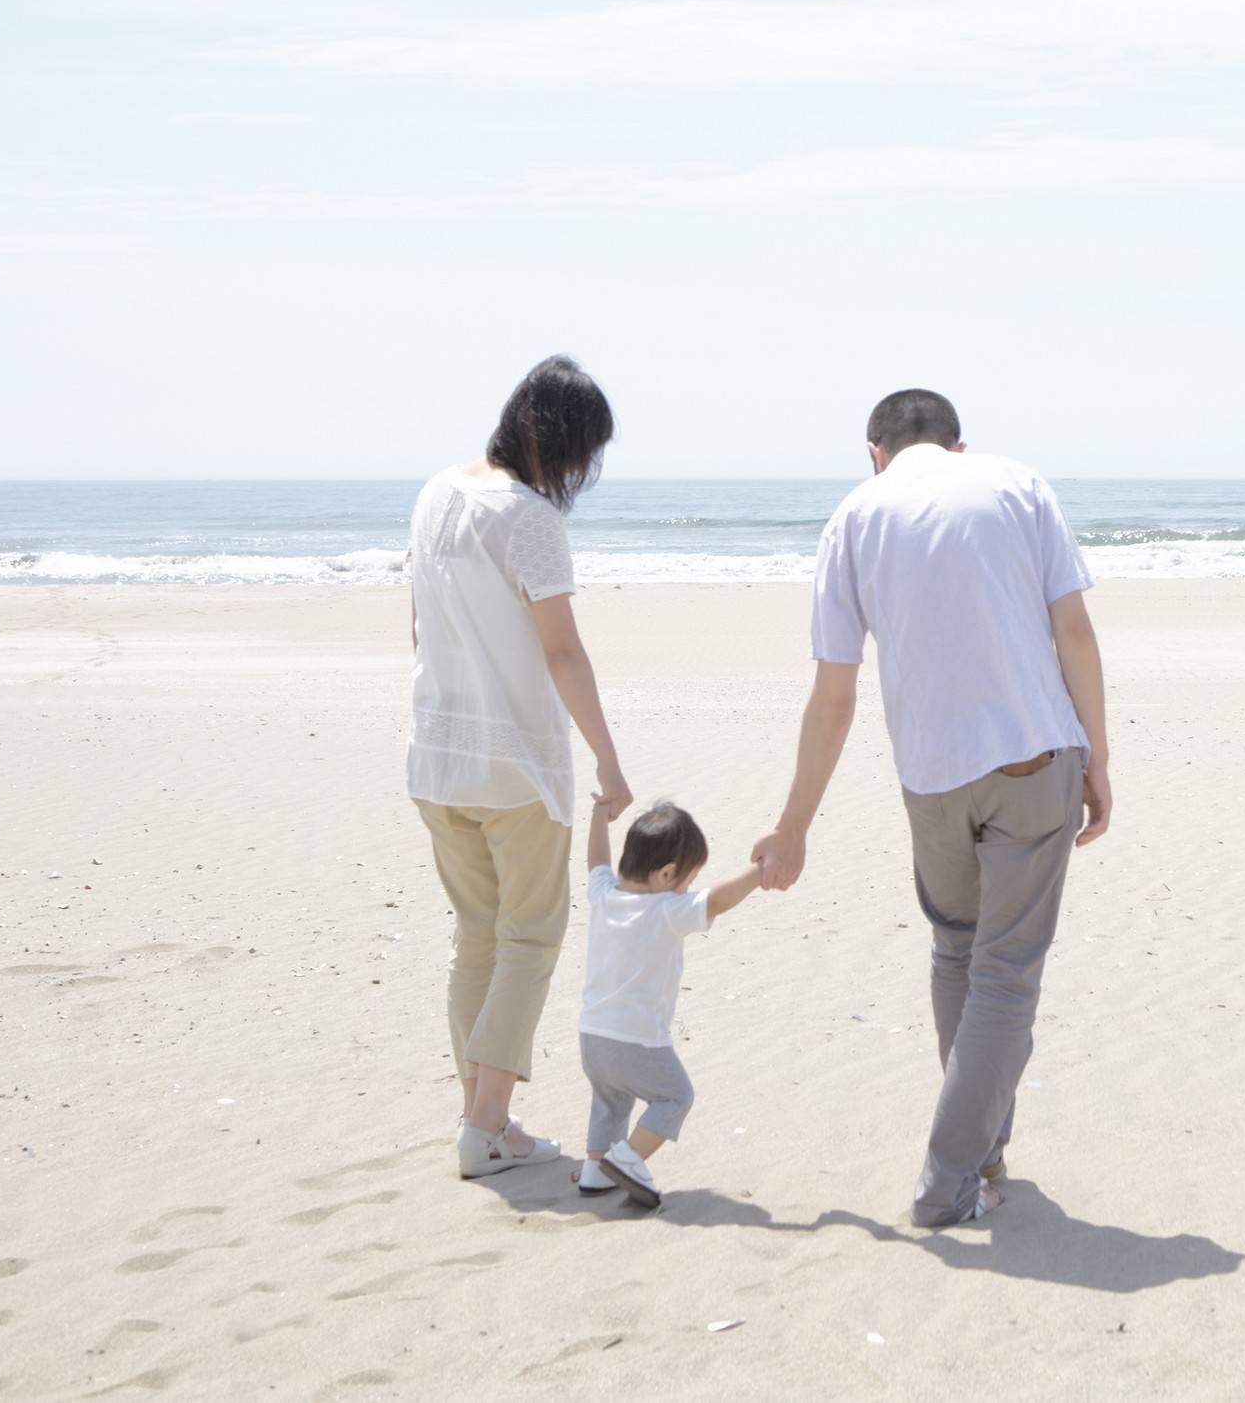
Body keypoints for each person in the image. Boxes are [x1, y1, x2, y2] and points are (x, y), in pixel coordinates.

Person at [751, 388, 1112, 1227]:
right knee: (1006, 974)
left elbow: (832, 696)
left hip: (931, 778)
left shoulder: (854, 515)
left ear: (873, 449)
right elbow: (1077, 634)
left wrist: (794, 825)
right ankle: (949, 1180)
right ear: (957, 444)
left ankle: (982, 1155)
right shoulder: (1017, 484)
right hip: (1032, 754)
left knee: (959, 952)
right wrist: (1099, 755)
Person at [406, 355, 632, 1179]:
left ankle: (483, 1118)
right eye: (581, 454)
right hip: (515, 768)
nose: (579, 473)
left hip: (435, 759)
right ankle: (487, 1125)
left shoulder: (437, 493)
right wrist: (609, 760)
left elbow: (419, 629)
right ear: (560, 442)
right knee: (529, 939)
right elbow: (562, 651)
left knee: (478, 939)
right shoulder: (528, 517)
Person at [574, 796, 762, 1208]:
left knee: (611, 1099)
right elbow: (717, 900)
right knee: (675, 1096)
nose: (688, 889)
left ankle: (595, 1166)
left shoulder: (605, 896)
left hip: (591, 1037)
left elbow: (596, 863)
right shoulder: (667, 909)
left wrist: (598, 819)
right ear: (666, 874)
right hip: (636, 1041)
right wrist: (760, 871)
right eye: (687, 879)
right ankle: (627, 1158)